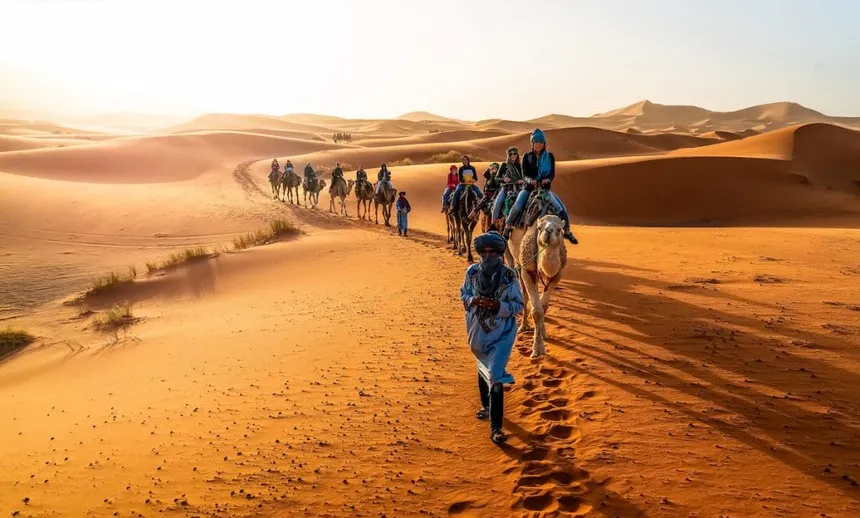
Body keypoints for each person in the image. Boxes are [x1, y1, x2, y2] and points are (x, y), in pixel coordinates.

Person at [459, 231, 523, 444]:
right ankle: (486, 406)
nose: (488, 256)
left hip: (502, 332)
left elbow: (519, 305)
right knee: (482, 364)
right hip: (477, 330)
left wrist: (499, 306)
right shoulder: (471, 273)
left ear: (500, 253)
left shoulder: (509, 276)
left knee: (495, 373)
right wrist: (475, 300)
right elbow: (464, 295)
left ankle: (496, 429)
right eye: (485, 252)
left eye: (493, 252)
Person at [502, 129, 578, 245]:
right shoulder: (527, 156)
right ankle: (507, 227)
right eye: (536, 142)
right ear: (532, 143)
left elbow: (552, 173)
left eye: (541, 142)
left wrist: (548, 179)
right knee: (517, 205)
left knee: (561, 208)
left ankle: (567, 231)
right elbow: (524, 174)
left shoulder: (550, 156)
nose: (538, 144)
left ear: (544, 143)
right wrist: (530, 181)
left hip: (545, 189)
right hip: (529, 188)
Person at [493, 147, 524, 224]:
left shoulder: (520, 166)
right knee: (498, 203)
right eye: (511, 154)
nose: (513, 155)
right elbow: (497, 178)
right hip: (506, 188)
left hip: (519, 189)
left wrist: (522, 180)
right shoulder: (504, 165)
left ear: (517, 155)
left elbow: (525, 177)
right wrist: (504, 180)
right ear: (508, 155)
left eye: (515, 154)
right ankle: (493, 225)